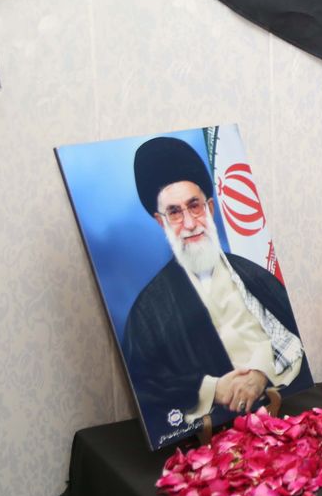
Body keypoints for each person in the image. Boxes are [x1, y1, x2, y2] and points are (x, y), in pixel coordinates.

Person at [123, 136, 311, 438]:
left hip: (281, 413)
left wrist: (261, 374)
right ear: (161, 222)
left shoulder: (253, 276)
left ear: (209, 207)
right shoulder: (148, 311)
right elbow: (149, 387)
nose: (189, 222)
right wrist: (213, 389)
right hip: (210, 437)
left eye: (194, 206)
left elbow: (290, 338)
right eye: (174, 212)